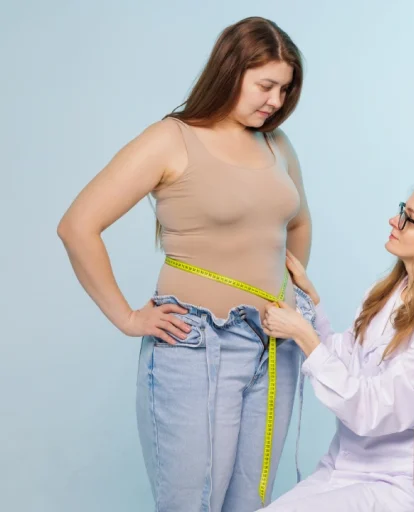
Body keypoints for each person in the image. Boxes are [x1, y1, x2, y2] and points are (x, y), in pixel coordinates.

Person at [56, 17, 312, 512]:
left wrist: (291, 286)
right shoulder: (170, 139)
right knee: (192, 505)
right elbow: (77, 225)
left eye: (285, 89)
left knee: (249, 504)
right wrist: (128, 318)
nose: (276, 101)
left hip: (276, 345)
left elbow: (297, 223)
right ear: (231, 70)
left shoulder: (276, 144)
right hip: (196, 343)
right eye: (266, 85)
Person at [259, 177, 414, 512]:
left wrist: (303, 336)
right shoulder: (386, 294)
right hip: (342, 468)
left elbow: (369, 409)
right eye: (402, 210)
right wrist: (312, 306)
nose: (394, 221)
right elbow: (348, 364)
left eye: (409, 218)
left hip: (397, 484)